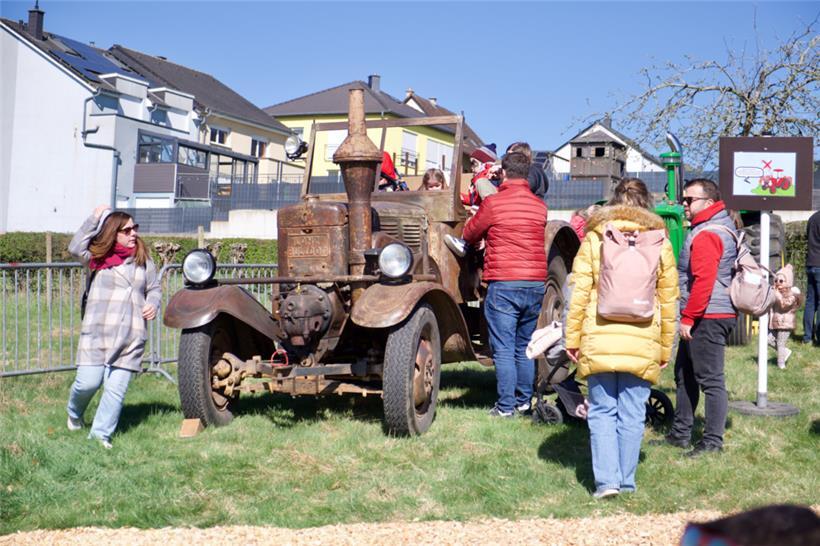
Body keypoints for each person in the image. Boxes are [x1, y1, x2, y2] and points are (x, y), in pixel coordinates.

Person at [564, 178, 678, 498]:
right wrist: (665, 346)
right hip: (643, 338)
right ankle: (626, 481)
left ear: (613, 201)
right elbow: (668, 301)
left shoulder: (595, 238)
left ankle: (606, 483)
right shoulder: (661, 243)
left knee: (602, 411)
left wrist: (572, 338)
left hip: (599, 335)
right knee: (632, 412)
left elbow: (579, 293)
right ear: (648, 204)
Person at [66, 205, 161, 449]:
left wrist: (152, 303)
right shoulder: (96, 260)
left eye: (135, 228)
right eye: (127, 230)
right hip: (98, 332)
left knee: (115, 389)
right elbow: (75, 248)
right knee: (88, 382)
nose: (133, 234)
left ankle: (99, 437)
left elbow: (154, 288)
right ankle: (74, 413)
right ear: (113, 233)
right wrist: (94, 218)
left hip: (132, 334)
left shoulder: (143, 260)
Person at [462, 152, 548, 418]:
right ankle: (524, 402)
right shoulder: (539, 206)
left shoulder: (495, 203)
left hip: (505, 281)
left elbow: (470, 233)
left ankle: (505, 406)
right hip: (534, 282)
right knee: (524, 346)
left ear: (504, 172)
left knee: (503, 348)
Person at [662, 178, 737, 457]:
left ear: (708, 202)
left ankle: (712, 442)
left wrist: (689, 317)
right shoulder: (708, 227)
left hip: (708, 315)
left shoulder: (707, 234)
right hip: (705, 312)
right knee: (684, 374)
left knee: (710, 380)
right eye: (683, 200)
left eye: (689, 200)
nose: (684, 205)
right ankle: (680, 433)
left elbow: (703, 281)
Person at [768, 264, 803, 369]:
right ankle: (785, 352)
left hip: (785, 323)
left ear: (788, 282)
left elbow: (784, 305)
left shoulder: (792, 295)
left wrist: (778, 296)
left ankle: (781, 365)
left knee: (780, 343)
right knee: (768, 339)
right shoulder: (776, 292)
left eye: (781, 281)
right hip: (776, 321)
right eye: (776, 280)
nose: (778, 283)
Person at [803, 209, 820, 345]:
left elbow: (807, 237)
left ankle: (807, 337)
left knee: (810, 302)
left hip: (810, 263)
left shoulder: (812, 218)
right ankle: (819, 337)